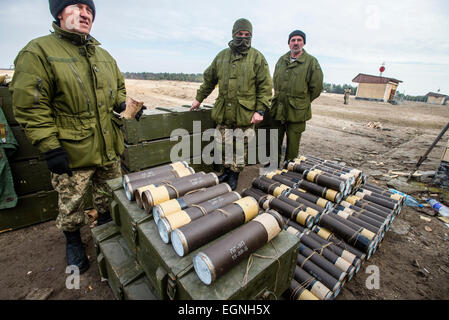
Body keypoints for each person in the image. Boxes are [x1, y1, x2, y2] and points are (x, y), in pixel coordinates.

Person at [10, 0, 144, 274]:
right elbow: (31, 107)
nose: (85, 14)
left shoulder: (104, 56)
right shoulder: (37, 52)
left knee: (109, 196)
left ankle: (106, 229)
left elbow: (117, 89)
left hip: (108, 147)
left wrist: (122, 105)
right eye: (77, 7)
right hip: (72, 151)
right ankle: (73, 241)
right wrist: (50, 147)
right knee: (70, 204)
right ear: (59, 13)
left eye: (89, 9)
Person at [190, 18, 272, 190]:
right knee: (223, 143)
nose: (243, 38)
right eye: (239, 34)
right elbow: (209, 80)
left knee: (240, 146)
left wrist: (260, 111)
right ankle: (227, 171)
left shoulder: (257, 58)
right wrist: (199, 99)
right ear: (233, 34)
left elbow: (265, 87)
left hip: (245, 113)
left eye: (247, 35)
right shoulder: (221, 57)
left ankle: (235, 175)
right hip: (224, 111)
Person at [271, 30, 323, 166]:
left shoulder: (311, 62)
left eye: (299, 40)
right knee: (275, 138)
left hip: (298, 111)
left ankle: (289, 168)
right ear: (288, 44)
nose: (296, 43)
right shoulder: (281, 60)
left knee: (293, 142)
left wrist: (302, 102)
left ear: (304, 43)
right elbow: (275, 81)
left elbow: (316, 88)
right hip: (279, 108)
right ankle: (272, 166)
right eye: (293, 40)